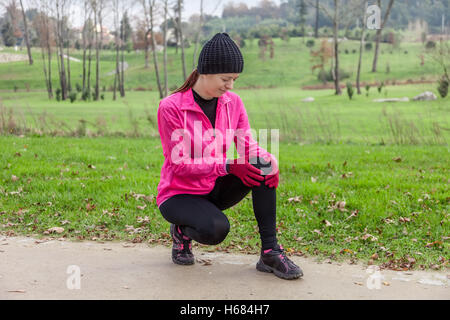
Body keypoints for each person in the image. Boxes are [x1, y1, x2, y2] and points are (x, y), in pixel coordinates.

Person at [156, 33, 303, 280]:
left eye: (234, 79)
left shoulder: (232, 103)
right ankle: (182, 231)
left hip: (212, 187)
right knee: (215, 230)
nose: (230, 86)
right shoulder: (171, 107)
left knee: (261, 166)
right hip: (178, 195)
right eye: (226, 79)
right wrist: (227, 165)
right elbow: (179, 165)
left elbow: (248, 146)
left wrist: (269, 161)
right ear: (205, 71)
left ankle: (270, 252)